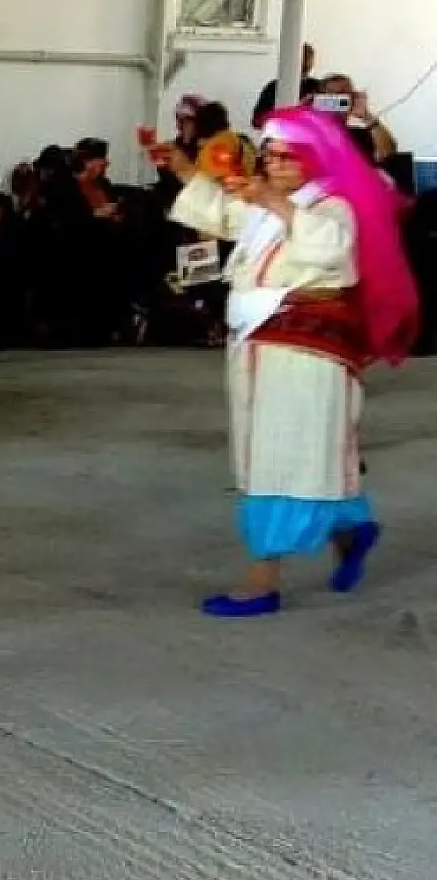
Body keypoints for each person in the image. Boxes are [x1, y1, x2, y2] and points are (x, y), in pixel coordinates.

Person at [157, 106, 418, 617]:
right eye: (270, 154)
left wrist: (275, 202)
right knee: (301, 455)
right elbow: (228, 217)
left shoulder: (334, 206)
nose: (274, 164)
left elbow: (331, 248)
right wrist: (187, 170)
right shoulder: (276, 201)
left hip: (305, 351)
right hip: (259, 342)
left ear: (314, 159)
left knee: (283, 456)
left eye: (286, 156)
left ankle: (263, 579)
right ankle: (350, 531)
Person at [252, 42, 318, 128]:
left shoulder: (317, 86)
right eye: (303, 57)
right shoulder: (273, 87)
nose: (306, 62)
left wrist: (314, 101)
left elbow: (340, 104)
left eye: (309, 57)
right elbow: (256, 121)